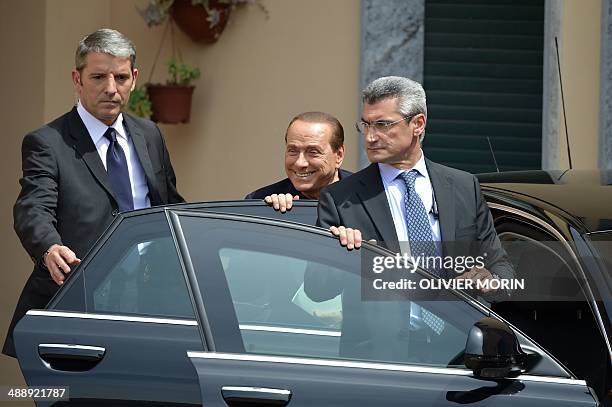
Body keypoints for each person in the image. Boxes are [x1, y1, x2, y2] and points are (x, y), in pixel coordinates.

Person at [3, 28, 184, 357]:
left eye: (121, 77)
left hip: (148, 304)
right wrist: (49, 246)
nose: (111, 89)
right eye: (99, 77)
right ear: (77, 78)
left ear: (134, 78)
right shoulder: (47, 142)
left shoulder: (150, 135)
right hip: (75, 300)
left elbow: (171, 206)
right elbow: (32, 208)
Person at [304, 76, 513, 359]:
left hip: (460, 355)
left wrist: (491, 280)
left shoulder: (464, 186)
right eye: (365, 125)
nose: (370, 137)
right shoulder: (341, 198)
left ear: (418, 124)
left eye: (383, 124)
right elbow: (317, 289)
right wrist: (343, 256)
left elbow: (501, 267)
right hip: (379, 358)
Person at [245, 112, 351, 211]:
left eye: (313, 152)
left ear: (339, 155)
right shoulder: (259, 202)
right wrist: (273, 215)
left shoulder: (363, 199)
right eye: (293, 151)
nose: (300, 163)